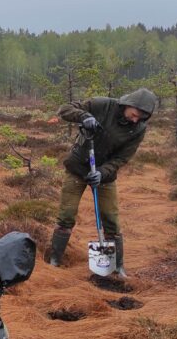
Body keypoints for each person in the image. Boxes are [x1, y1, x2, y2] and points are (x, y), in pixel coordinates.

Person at [46, 88, 159, 278]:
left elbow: (122, 158)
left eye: (140, 118)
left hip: (104, 176)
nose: (135, 120)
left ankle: (117, 266)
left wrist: (102, 172)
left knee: (111, 220)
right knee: (66, 215)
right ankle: (54, 259)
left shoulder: (138, 128)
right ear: (128, 105)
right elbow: (64, 109)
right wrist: (84, 116)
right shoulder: (102, 105)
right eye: (134, 115)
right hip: (78, 168)